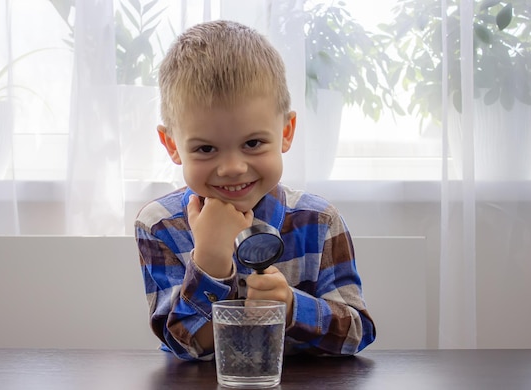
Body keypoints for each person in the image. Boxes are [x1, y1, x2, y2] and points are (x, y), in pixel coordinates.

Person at [134, 20, 375, 361]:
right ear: (172, 144)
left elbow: (357, 334)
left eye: (253, 143)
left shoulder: (318, 221)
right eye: (205, 149)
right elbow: (185, 345)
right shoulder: (160, 224)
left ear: (286, 132)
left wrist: (292, 307)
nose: (232, 167)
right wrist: (211, 261)